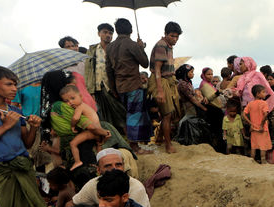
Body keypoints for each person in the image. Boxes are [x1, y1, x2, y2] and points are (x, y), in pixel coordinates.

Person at [0, 66, 50, 207]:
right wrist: (6, 126)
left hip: (23, 167)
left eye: (15, 84)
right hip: (1, 172)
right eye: (8, 84)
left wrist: (34, 128)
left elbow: (27, 143)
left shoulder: (16, 112)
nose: (14, 89)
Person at [105, 18, 152, 154]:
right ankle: (135, 147)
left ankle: (132, 143)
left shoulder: (110, 47)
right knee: (134, 115)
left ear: (117, 30)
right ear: (131, 30)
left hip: (119, 87)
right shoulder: (132, 44)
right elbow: (144, 63)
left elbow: (109, 70)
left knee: (127, 115)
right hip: (133, 86)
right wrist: (141, 47)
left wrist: (113, 89)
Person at [71, 148, 151, 207]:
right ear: (98, 170)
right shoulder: (93, 184)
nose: (114, 169)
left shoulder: (135, 188)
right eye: (108, 166)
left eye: (118, 165)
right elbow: (72, 204)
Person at [59, 84, 110, 171]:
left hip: (92, 132)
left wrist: (72, 125)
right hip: (98, 132)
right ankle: (101, 163)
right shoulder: (86, 106)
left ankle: (77, 161)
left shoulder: (80, 107)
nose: (70, 102)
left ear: (81, 96)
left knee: (73, 144)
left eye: (72, 98)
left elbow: (76, 118)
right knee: (98, 147)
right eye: (66, 101)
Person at [149, 22, 182, 153]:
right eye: (172, 36)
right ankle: (168, 145)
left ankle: (160, 139)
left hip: (167, 80)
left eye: (177, 37)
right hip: (160, 80)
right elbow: (157, 69)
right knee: (167, 114)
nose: (175, 39)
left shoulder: (168, 46)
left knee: (168, 114)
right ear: (166, 34)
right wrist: (160, 90)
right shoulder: (161, 45)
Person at [244, 85, 271, 163]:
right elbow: (265, 114)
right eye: (263, 92)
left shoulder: (250, 103)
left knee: (254, 146)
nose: (265, 94)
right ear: (258, 94)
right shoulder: (264, 103)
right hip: (262, 129)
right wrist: (262, 125)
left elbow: (244, 114)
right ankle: (263, 160)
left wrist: (250, 124)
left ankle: (252, 161)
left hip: (254, 128)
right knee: (263, 146)